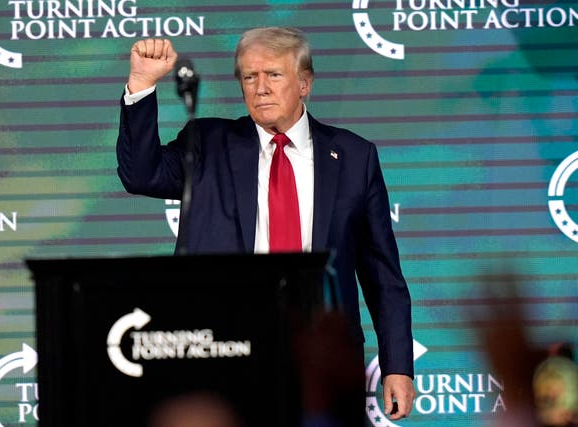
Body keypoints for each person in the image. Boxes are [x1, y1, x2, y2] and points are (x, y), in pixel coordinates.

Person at [116, 26, 416, 421]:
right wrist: (140, 85)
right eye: (249, 77)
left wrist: (397, 365)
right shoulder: (208, 143)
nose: (260, 88)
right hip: (225, 350)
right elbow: (141, 175)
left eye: (273, 75)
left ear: (305, 83)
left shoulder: (355, 157)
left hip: (321, 358)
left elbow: (382, 272)